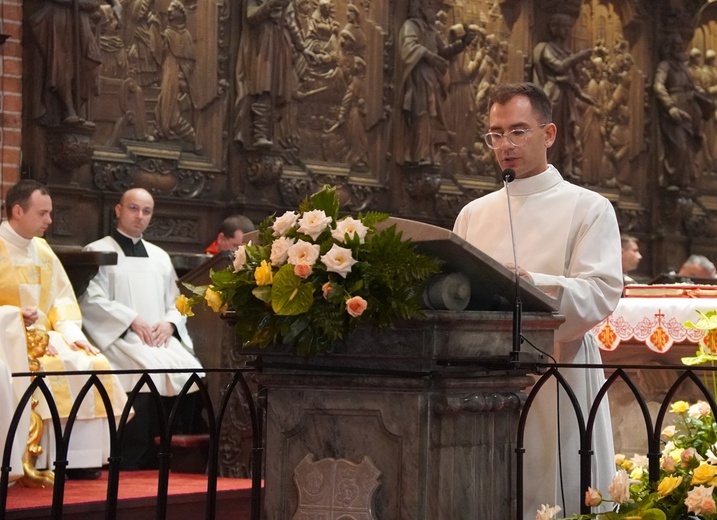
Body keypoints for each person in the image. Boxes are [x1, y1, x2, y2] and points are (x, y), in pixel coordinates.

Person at [452, 82, 622, 517]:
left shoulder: (589, 207)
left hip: (558, 372)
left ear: (549, 134)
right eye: (495, 133)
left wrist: (533, 286)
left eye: (518, 131)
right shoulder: (473, 213)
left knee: (556, 490)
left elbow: (601, 291)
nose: (504, 145)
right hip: (483, 377)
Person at [0, 180, 127, 481]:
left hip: (46, 335)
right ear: (18, 210)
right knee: (52, 365)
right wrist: (16, 318)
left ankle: (78, 459)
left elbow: (62, 300)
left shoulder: (42, 250)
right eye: (43, 213)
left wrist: (72, 335)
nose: (49, 221)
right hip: (7, 338)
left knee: (91, 361)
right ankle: (37, 458)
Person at [79, 188, 204, 469]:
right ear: (118, 210)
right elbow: (90, 300)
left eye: (146, 211)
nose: (140, 216)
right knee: (146, 370)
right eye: (133, 208)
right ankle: (134, 458)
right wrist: (130, 319)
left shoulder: (159, 257)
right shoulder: (98, 251)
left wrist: (171, 324)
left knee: (190, 367)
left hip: (158, 338)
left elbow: (177, 301)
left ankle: (170, 458)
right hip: (118, 338)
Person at [532, 13, 595, 179]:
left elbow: (570, 79)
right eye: (563, 27)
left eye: (568, 27)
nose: (566, 30)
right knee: (552, 132)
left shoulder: (566, 51)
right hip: (553, 95)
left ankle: (566, 169)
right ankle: (548, 167)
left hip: (567, 96)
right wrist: (580, 56)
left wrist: (582, 95)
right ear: (554, 28)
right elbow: (559, 67)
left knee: (568, 131)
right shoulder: (546, 48)